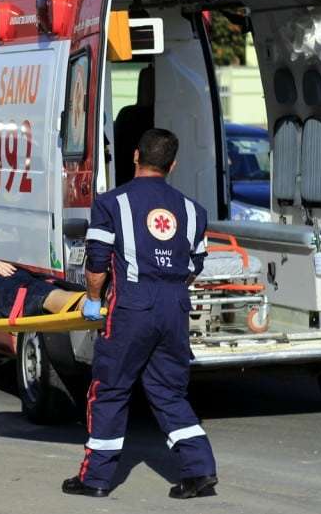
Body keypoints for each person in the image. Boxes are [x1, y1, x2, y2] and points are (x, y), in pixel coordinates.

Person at [62, 128, 219, 499]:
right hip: (175, 305)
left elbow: (97, 261)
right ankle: (199, 471)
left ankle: (96, 478)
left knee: (109, 389)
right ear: (173, 164)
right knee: (169, 391)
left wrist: (93, 299)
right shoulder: (193, 210)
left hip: (132, 305)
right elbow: (195, 263)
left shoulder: (112, 203)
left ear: (135, 156)